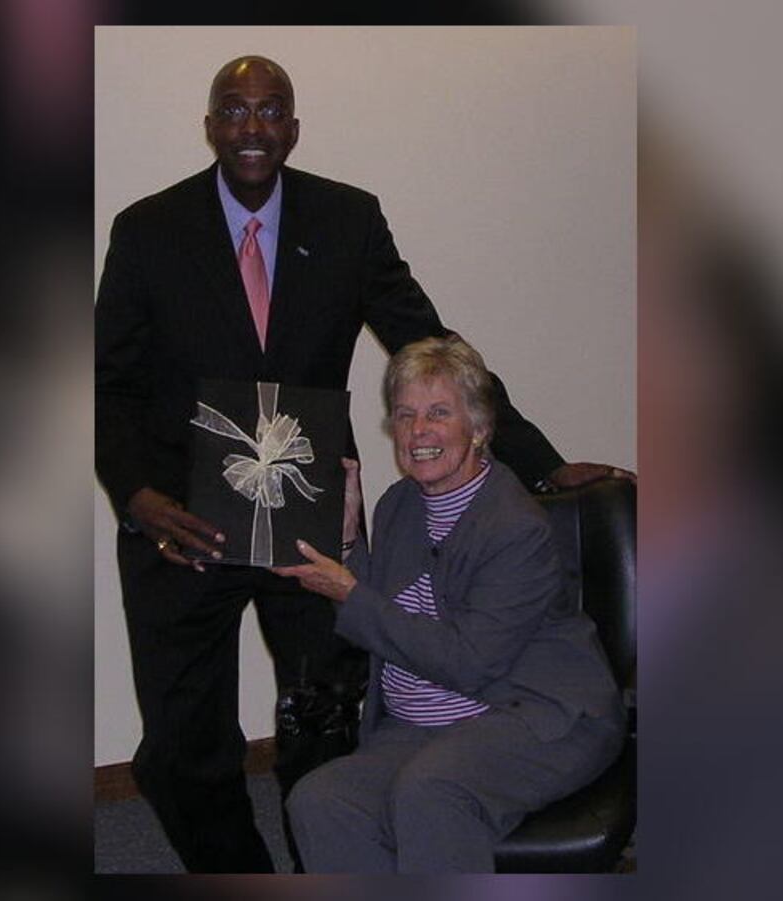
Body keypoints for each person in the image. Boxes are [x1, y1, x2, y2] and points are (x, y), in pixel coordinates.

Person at [93, 54, 630, 873]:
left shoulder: (348, 220)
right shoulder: (146, 230)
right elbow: (107, 381)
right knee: (183, 744)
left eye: (271, 111)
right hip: (185, 519)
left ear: (294, 128)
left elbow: (430, 341)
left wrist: (542, 461)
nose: (252, 127)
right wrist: (137, 495)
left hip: (315, 517)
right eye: (233, 111)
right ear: (209, 127)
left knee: (326, 720)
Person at [274, 336, 625, 873]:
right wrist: (347, 542)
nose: (418, 432)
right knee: (321, 801)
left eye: (439, 413)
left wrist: (348, 592)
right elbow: (388, 614)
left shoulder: (514, 526)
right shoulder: (399, 505)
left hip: (535, 714)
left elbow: (468, 660)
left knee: (433, 790)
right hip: (425, 726)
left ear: (480, 428)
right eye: (406, 414)